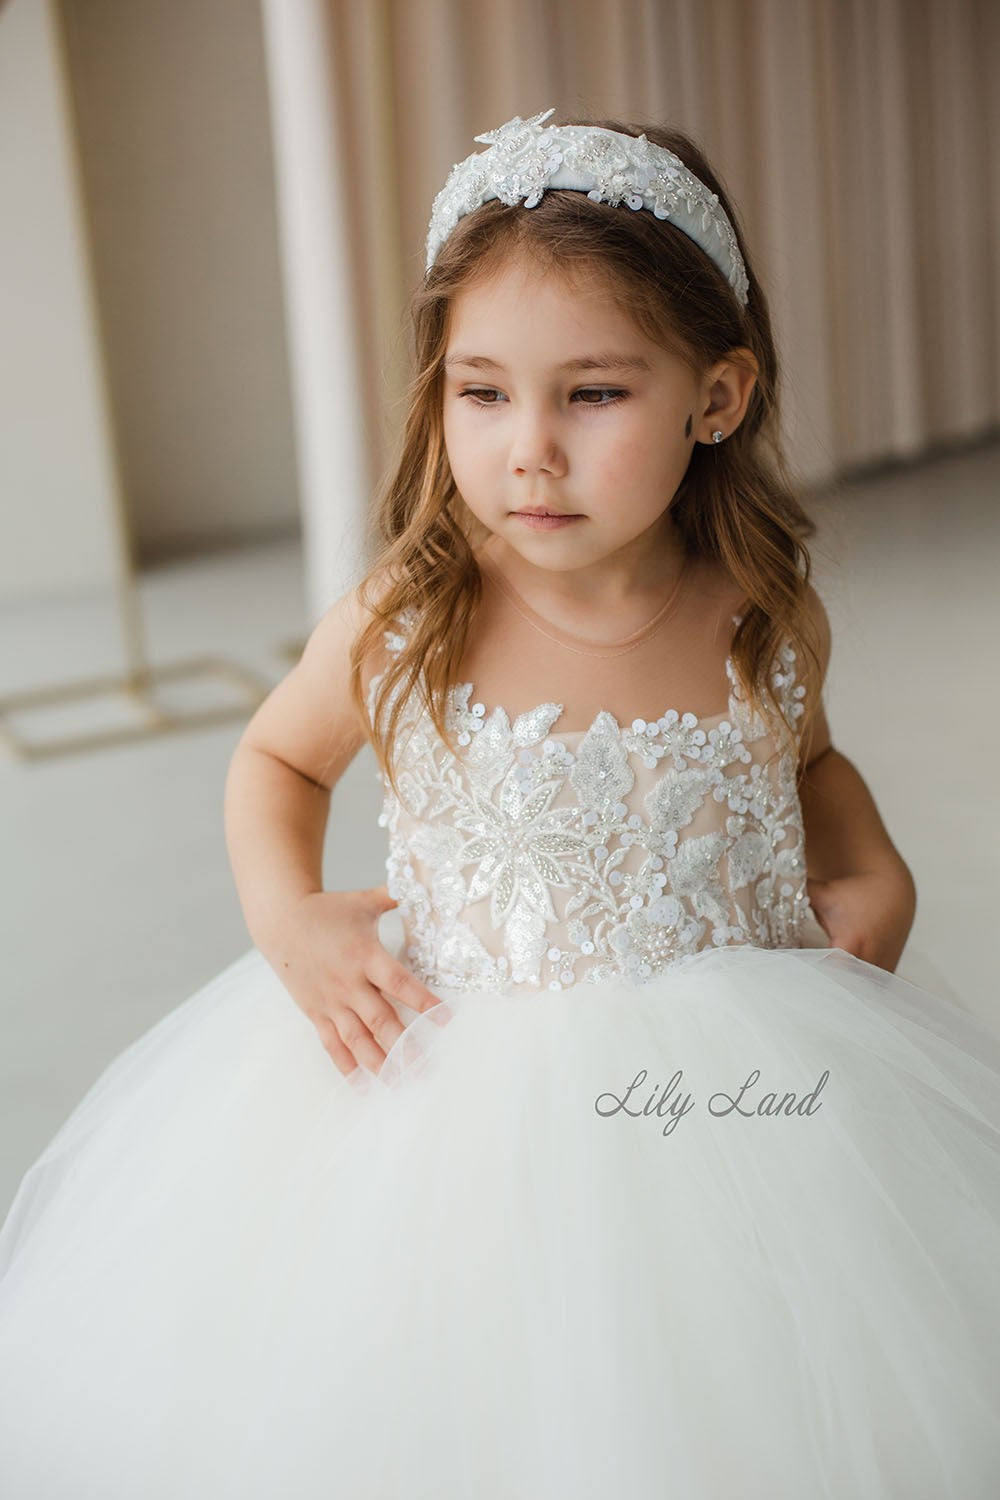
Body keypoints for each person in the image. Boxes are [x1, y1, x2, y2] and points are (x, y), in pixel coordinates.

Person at [1, 106, 998, 1499]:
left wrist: (870, 868)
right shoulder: (412, 617)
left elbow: (809, 761)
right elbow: (276, 763)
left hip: (745, 1114)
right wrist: (289, 922)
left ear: (719, 397)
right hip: (459, 1110)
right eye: (483, 392)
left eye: (593, 394)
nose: (530, 447)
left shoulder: (757, 611)